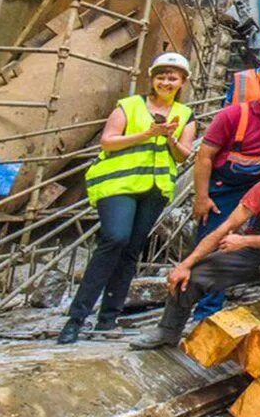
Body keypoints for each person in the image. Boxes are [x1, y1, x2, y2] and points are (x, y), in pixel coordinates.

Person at [131, 138, 260, 349]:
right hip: (250, 253)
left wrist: (244, 240)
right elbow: (225, 227)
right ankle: (168, 330)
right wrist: (186, 265)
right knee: (193, 275)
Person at [61, 52, 197, 344]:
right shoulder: (130, 105)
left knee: (131, 250)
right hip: (118, 185)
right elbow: (108, 141)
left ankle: (107, 318)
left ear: (182, 81)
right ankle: (76, 317)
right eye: (161, 75)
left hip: (154, 189)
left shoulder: (184, 115)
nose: (166, 81)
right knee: (115, 239)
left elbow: (185, 154)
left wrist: (169, 137)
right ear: (153, 78)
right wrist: (148, 134)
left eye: (173, 76)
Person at [191, 62, 260, 316]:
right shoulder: (233, 115)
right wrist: (202, 197)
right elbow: (205, 156)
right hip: (224, 186)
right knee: (213, 241)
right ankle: (206, 311)